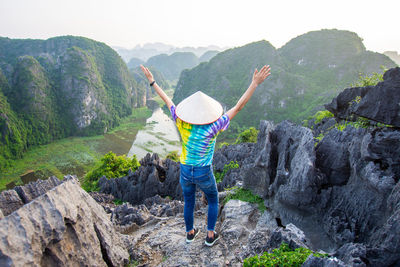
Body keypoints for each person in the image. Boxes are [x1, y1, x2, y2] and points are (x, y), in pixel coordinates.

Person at [140, 64, 271, 246]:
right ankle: (210, 235)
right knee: (213, 200)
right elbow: (239, 107)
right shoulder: (213, 126)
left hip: (185, 170)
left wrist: (152, 81)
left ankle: (190, 233)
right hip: (203, 170)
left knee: (188, 202)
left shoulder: (181, 122)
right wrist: (254, 84)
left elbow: (167, 100)